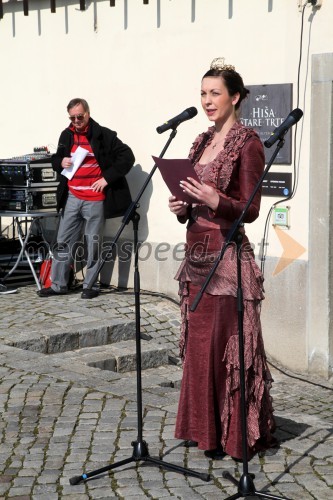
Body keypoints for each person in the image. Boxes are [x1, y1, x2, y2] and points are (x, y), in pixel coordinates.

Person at [168, 58, 276, 461]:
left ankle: (232, 434)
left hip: (226, 257)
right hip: (195, 253)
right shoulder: (198, 141)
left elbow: (249, 208)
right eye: (202, 93)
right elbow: (192, 197)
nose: (207, 100)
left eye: (215, 93)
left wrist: (216, 199)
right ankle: (203, 431)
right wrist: (181, 205)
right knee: (198, 348)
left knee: (220, 345)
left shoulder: (248, 143)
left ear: (235, 97)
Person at [38, 98, 135, 299]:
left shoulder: (103, 135)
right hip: (72, 195)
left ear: (88, 114)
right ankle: (58, 285)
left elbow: (127, 157)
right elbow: (56, 158)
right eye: (72, 118)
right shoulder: (66, 134)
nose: (76, 121)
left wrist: (106, 179)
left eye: (80, 116)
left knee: (93, 242)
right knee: (63, 241)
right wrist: (60, 161)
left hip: (95, 198)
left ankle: (90, 286)